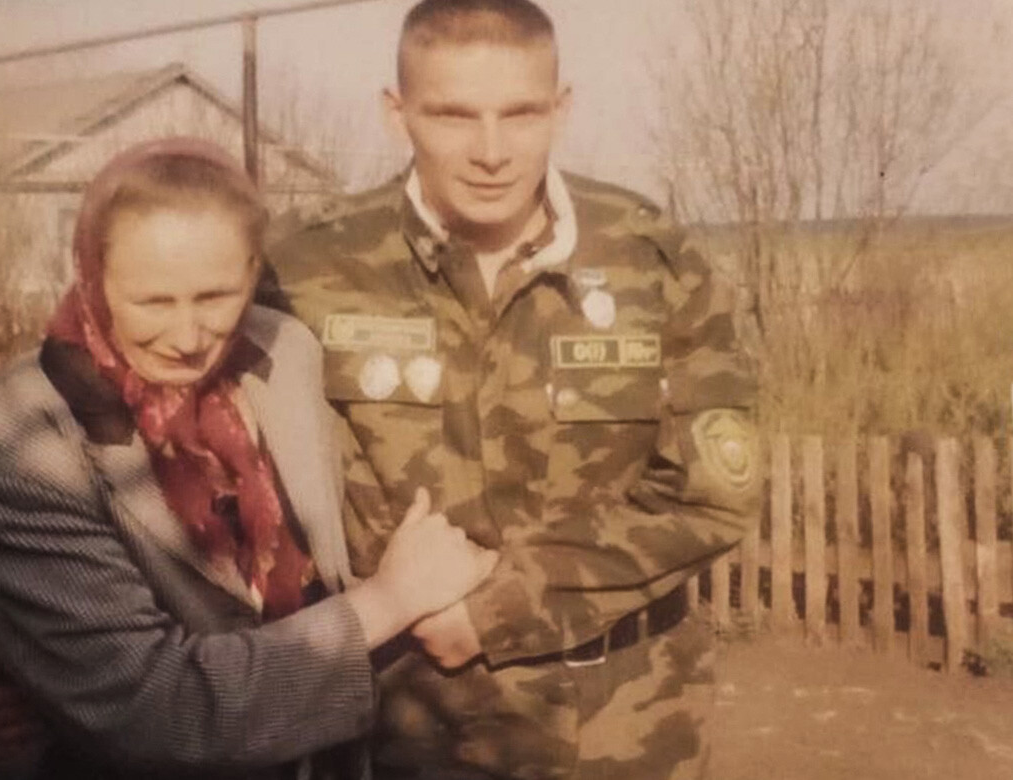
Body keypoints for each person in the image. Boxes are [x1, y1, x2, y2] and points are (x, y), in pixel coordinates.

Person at [260, 1, 763, 777]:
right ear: (396, 114)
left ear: (561, 109)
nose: (491, 152)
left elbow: (713, 493)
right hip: (403, 729)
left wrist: (499, 611)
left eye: (521, 114)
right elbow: (204, 455)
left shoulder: (651, 258)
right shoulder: (307, 267)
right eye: (454, 115)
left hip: (626, 727)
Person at [0, 136, 497, 779]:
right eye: (153, 302)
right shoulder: (21, 442)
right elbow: (158, 712)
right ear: (92, 276)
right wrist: (389, 602)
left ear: (254, 273)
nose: (188, 337)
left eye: (215, 297)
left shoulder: (285, 354)